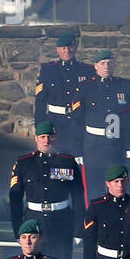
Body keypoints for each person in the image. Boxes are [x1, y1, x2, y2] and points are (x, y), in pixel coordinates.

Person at [8, 121, 85, 259]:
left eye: (49, 137)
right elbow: (15, 199)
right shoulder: (24, 163)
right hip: (33, 221)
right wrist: (18, 230)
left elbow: (78, 197)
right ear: (36, 138)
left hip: (61, 221)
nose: (46, 140)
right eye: (42, 137)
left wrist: (78, 230)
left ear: (55, 138)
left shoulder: (67, 162)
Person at [79, 50, 130, 195]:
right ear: (95, 66)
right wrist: (78, 149)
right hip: (93, 146)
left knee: (117, 187)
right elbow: (77, 120)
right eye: (102, 63)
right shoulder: (86, 88)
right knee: (94, 189)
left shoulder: (124, 85)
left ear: (114, 65)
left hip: (115, 146)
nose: (106, 66)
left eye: (109, 63)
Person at [34, 31, 92, 162]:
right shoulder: (48, 70)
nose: (67, 51)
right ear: (57, 50)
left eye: (70, 47)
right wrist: (40, 129)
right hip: (55, 122)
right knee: (54, 159)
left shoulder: (87, 70)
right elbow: (40, 102)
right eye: (63, 48)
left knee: (77, 161)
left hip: (78, 122)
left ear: (76, 48)